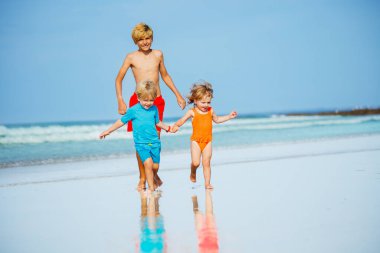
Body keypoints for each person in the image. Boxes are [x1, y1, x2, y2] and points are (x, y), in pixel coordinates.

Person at [115, 22, 186, 190]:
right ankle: (142, 178)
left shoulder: (158, 54)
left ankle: (152, 173)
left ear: (152, 38)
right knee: (140, 142)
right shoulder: (131, 57)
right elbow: (118, 79)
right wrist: (120, 99)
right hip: (137, 102)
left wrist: (178, 95)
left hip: (157, 101)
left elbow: (165, 75)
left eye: (148, 38)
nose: (145, 42)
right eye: (141, 40)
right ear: (136, 41)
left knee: (155, 141)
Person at [100, 81, 172, 192]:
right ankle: (151, 188)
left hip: (155, 142)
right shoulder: (133, 110)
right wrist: (108, 131)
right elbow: (121, 121)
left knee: (155, 167)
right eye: (145, 100)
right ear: (138, 97)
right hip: (141, 144)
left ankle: (154, 177)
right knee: (148, 163)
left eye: (151, 100)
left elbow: (158, 123)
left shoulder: (154, 109)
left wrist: (168, 128)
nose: (148, 103)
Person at [172, 81, 237, 189]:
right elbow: (182, 120)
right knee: (196, 162)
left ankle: (207, 183)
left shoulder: (210, 111)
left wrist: (229, 116)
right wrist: (175, 126)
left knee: (206, 163)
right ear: (196, 101)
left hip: (208, 141)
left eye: (208, 102)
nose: (206, 105)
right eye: (203, 102)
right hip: (196, 141)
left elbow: (217, 120)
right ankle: (193, 171)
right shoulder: (192, 112)